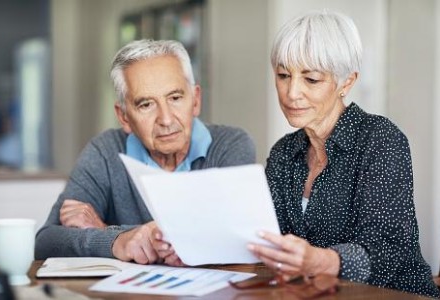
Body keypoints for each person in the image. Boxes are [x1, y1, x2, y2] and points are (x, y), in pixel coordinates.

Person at [246, 10, 440, 298]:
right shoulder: (284, 153)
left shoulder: (380, 139)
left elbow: (386, 249)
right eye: (283, 75)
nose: (291, 92)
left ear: (346, 83)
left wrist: (321, 261)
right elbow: (267, 240)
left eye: (311, 79)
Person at [35, 39, 256, 265]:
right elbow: (46, 242)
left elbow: (230, 238)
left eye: (175, 98)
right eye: (146, 104)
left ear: (196, 100)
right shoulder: (105, 151)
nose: (166, 119)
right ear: (124, 117)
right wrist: (119, 240)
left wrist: (108, 231)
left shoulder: (230, 144)